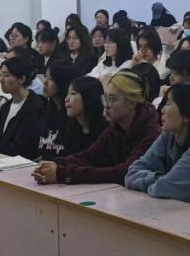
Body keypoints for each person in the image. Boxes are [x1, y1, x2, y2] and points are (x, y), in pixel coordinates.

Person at [32, 69, 161, 185]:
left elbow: (123, 172)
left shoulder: (151, 133)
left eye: (112, 99)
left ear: (131, 103)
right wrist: (56, 163)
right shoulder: (115, 128)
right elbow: (90, 156)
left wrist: (62, 173)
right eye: (105, 98)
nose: (107, 105)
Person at [125, 83, 190, 204]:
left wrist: (158, 181)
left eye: (169, 104)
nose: (162, 110)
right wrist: (159, 178)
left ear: (187, 114)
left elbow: (163, 189)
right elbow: (131, 174)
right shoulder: (170, 134)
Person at [0, 56, 47, 160]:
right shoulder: (6, 106)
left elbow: (22, 148)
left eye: (6, 75)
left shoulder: (34, 109)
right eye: (1, 74)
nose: (1, 80)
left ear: (21, 79)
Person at [38, 76, 108, 160]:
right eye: (67, 94)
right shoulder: (71, 127)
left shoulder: (106, 132)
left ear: (89, 97)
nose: (66, 99)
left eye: (72, 93)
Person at [38, 63, 83, 158]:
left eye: (51, 79)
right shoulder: (47, 110)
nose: (44, 82)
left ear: (63, 82)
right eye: (45, 76)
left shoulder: (75, 118)